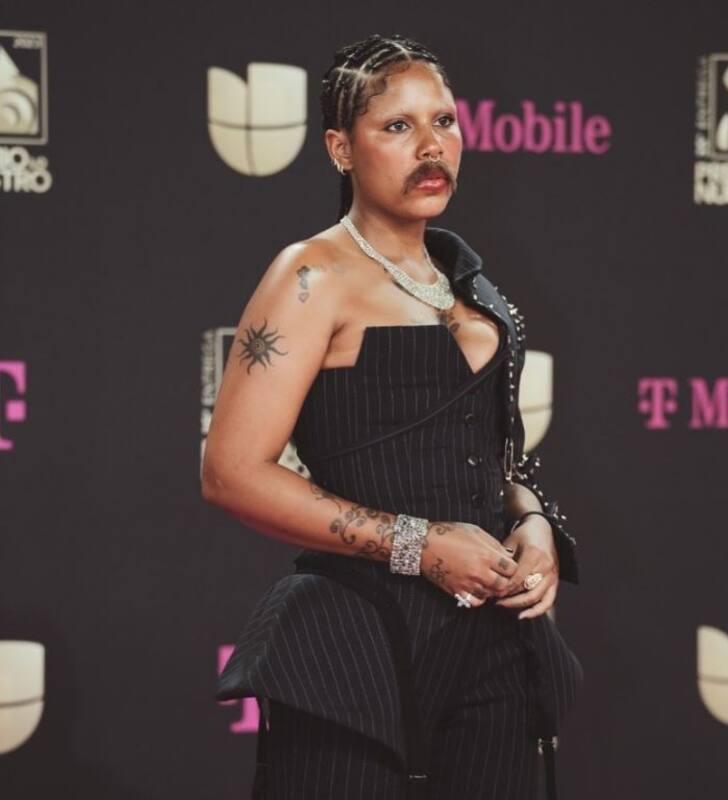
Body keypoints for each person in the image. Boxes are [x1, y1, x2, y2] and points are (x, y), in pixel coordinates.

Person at [202, 33, 582, 800]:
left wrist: (535, 523)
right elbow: (231, 473)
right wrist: (420, 545)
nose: (431, 147)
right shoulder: (311, 276)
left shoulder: (469, 284)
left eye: (444, 121)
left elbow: (497, 456)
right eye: (398, 126)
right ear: (341, 149)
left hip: (494, 650)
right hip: (353, 649)